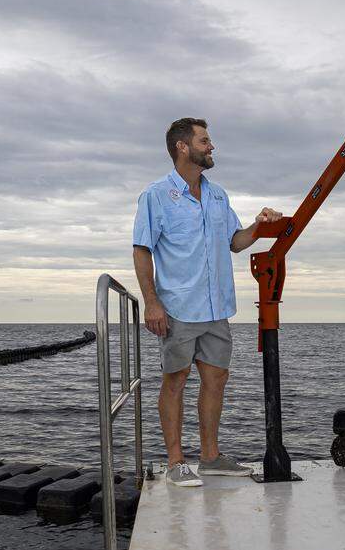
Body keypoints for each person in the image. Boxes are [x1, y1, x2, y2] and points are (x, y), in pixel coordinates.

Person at [133, 117, 283, 487]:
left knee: (215, 379)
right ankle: (175, 462)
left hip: (217, 309)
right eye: (204, 140)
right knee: (176, 379)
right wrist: (151, 302)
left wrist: (259, 225)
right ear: (183, 147)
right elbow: (141, 250)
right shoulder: (156, 195)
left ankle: (211, 457)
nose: (211, 146)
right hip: (179, 308)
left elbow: (235, 241)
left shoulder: (218, 195)